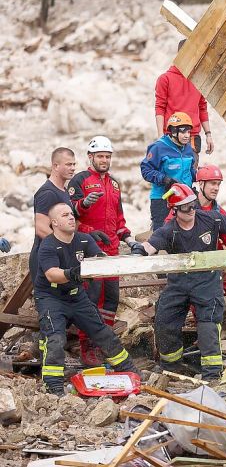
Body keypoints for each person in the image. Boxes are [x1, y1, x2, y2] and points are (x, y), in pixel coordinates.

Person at [131, 183, 226, 380]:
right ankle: (171, 367)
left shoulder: (209, 219)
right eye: (186, 207)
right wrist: (138, 251)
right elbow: (150, 245)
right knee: (165, 320)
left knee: (208, 324)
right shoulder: (169, 230)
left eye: (193, 204)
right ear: (175, 209)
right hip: (179, 283)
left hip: (207, 281)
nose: (192, 210)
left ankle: (212, 374)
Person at [35, 203, 137, 395]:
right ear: (54, 222)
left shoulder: (84, 240)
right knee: (55, 338)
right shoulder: (47, 245)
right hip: (51, 298)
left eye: (71, 214)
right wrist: (75, 273)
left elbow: (99, 257)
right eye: (65, 215)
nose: (71, 217)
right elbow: (52, 275)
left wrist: (102, 260)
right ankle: (53, 385)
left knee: (102, 332)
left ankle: (128, 369)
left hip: (77, 296)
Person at [68, 136, 138, 366]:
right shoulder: (79, 180)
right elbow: (69, 216)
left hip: (112, 251)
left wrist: (129, 238)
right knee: (90, 300)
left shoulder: (115, 184)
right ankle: (86, 347)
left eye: (108, 156)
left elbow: (119, 219)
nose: (104, 160)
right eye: (100, 156)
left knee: (111, 299)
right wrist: (86, 214)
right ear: (90, 157)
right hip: (89, 251)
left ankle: (104, 343)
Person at [165, 165, 226, 311]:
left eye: (218, 184)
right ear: (200, 184)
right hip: (189, 266)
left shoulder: (218, 213)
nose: (216, 188)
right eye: (212, 183)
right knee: (197, 307)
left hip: (215, 262)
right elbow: (167, 234)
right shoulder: (183, 206)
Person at [31, 148, 97, 281]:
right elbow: (41, 228)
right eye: (68, 164)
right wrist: (68, 248)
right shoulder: (47, 193)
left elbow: (66, 225)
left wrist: (86, 235)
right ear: (55, 166)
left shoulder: (63, 191)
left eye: (74, 164)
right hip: (48, 259)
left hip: (60, 256)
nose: (72, 168)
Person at [156, 40, 214, 156]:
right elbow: (160, 108)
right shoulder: (165, 79)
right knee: (171, 173)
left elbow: (202, 107)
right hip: (171, 137)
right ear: (179, 55)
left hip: (192, 138)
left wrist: (208, 134)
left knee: (190, 173)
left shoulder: (199, 80)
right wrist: (160, 136)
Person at [141, 112, 197, 231]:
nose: (187, 135)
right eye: (183, 131)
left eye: (188, 131)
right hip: (163, 199)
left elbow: (190, 171)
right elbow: (146, 170)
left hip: (185, 198)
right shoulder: (158, 147)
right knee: (161, 234)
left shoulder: (188, 148)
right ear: (173, 131)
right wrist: (165, 179)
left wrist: (199, 176)